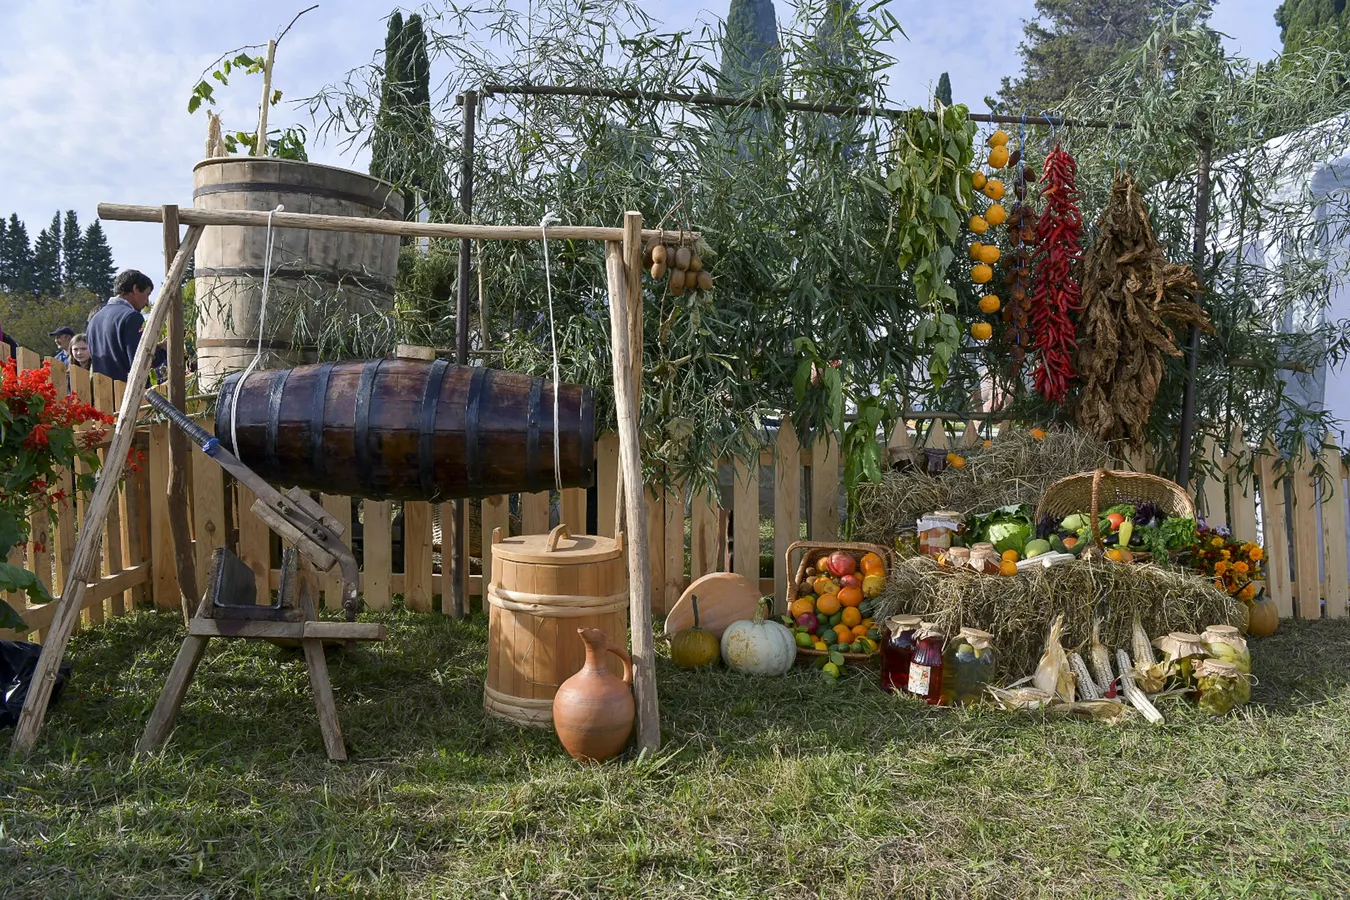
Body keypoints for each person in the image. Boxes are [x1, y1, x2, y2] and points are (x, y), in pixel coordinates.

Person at [87, 269, 155, 383]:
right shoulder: (132, 317)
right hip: (126, 393)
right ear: (135, 289)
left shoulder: (94, 319)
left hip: (101, 392)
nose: (147, 302)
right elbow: (138, 362)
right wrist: (162, 350)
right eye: (147, 294)